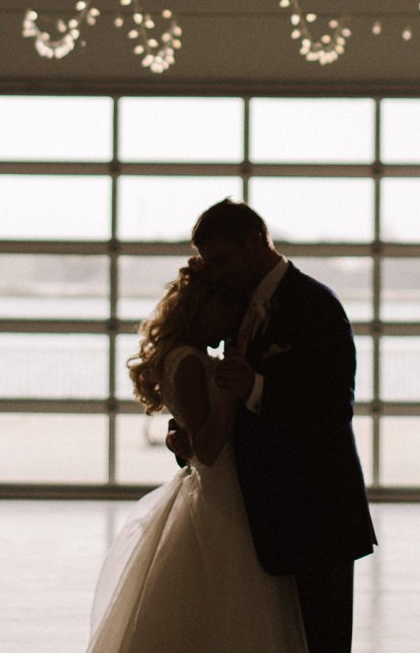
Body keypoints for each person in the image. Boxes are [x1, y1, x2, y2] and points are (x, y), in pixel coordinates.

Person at [179, 200, 377, 653]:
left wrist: (257, 386)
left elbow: (333, 406)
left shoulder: (316, 304)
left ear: (255, 242)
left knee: (322, 639)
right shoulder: (237, 306)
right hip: (262, 517)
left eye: (223, 260)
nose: (218, 273)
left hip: (316, 512)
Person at [87, 263, 307, 653]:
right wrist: (228, 393)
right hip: (220, 497)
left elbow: (193, 432)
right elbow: (207, 448)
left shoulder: (188, 356)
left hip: (223, 489)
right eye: (225, 311)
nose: (229, 324)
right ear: (205, 308)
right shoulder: (188, 361)